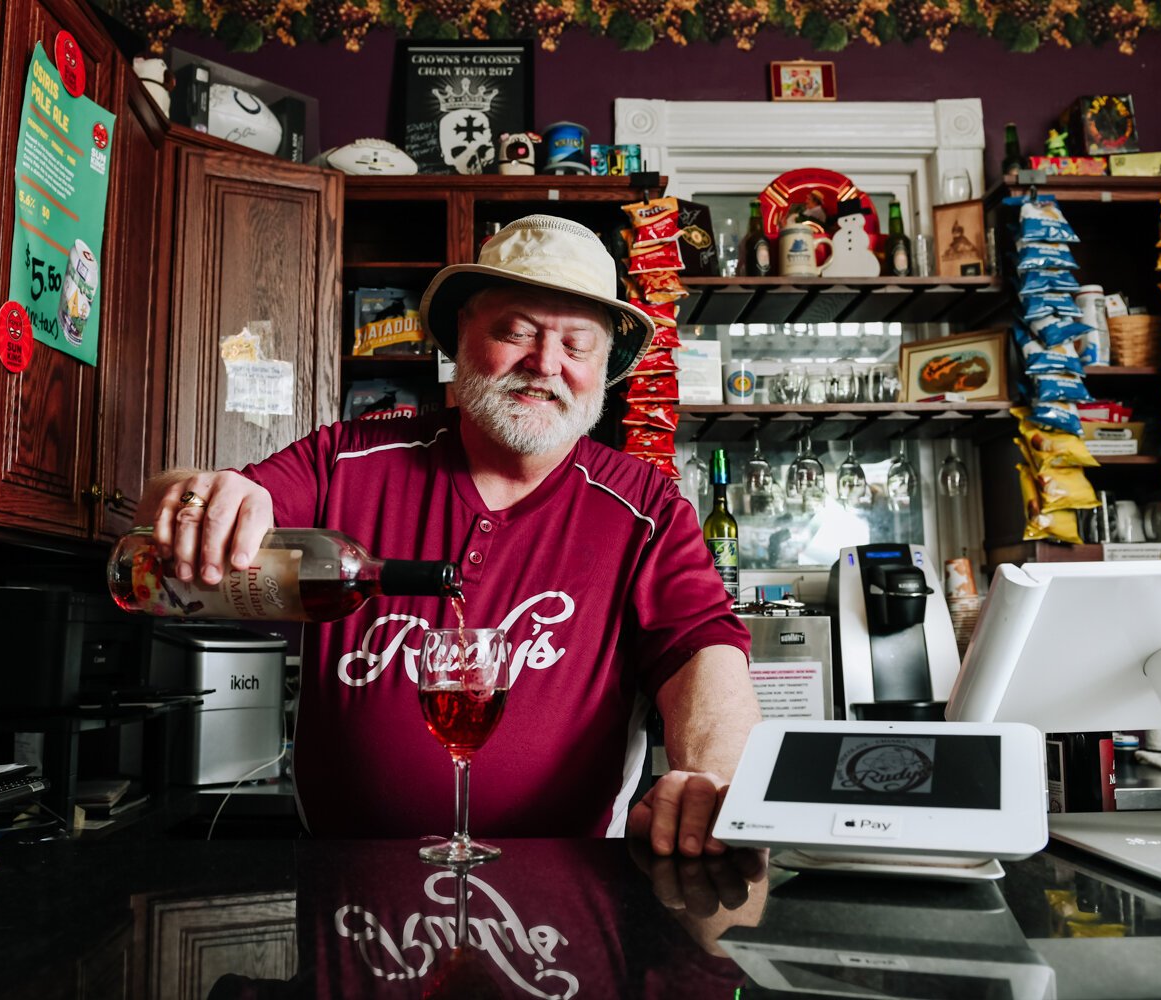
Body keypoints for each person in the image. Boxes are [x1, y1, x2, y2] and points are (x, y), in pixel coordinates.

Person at [136, 215, 759, 857]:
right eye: (516, 332)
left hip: (560, 905)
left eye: (577, 347)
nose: (545, 365)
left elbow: (703, 650)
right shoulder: (347, 460)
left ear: (606, 366)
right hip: (345, 889)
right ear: (464, 332)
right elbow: (184, 498)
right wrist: (197, 496)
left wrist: (714, 775)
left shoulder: (646, 506)